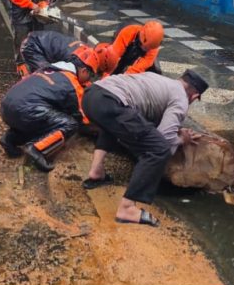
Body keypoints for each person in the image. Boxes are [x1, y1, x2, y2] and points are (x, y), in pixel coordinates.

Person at [81, 70, 209, 227]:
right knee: (158, 149)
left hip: (91, 96)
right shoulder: (181, 99)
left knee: (115, 124)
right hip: (111, 103)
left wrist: (174, 130)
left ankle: (96, 172)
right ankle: (127, 208)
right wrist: (182, 139)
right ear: (194, 96)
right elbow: (164, 139)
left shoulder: (161, 80)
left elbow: (144, 118)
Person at [0, 47, 100, 171]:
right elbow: (83, 119)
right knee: (70, 124)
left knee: (43, 119)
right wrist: (100, 129)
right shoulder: (72, 83)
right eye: (91, 75)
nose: (89, 80)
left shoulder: (49, 68)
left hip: (6, 106)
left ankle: (10, 139)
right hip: (26, 111)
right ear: (84, 71)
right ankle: (37, 150)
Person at [20, 31, 118, 77]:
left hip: (41, 40)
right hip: (33, 47)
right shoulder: (78, 61)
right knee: (47, 77)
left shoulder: (87, 51)